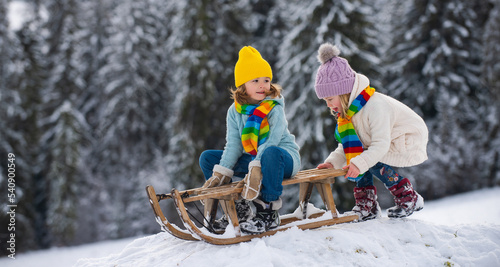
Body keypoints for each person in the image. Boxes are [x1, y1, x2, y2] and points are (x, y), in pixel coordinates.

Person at [314, 43, 427, 221]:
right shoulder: (349, 114)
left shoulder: (375, 106)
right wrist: (332, 162)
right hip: (384, 141)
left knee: (366, 160)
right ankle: (368, 206)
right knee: (359, 156)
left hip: (406, 137)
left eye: (330, 99)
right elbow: (347, 146)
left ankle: (408, 197)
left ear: (344, 93)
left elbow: (380, 144)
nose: (328, 105)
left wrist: (360, 162)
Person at [199, 46, 301, 234]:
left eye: (267, 80)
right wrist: (222, 172)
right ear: (243, 85)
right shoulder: (234, 111)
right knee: (208, 158)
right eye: (255, 81)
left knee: (270, 152)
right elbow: (234, 145)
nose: (263, 85)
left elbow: (272, 140)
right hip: (253, 160)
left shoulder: (273, 107)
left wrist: (256, 166)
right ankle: (238, 207)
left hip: (281, 158)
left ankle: (268, 212)